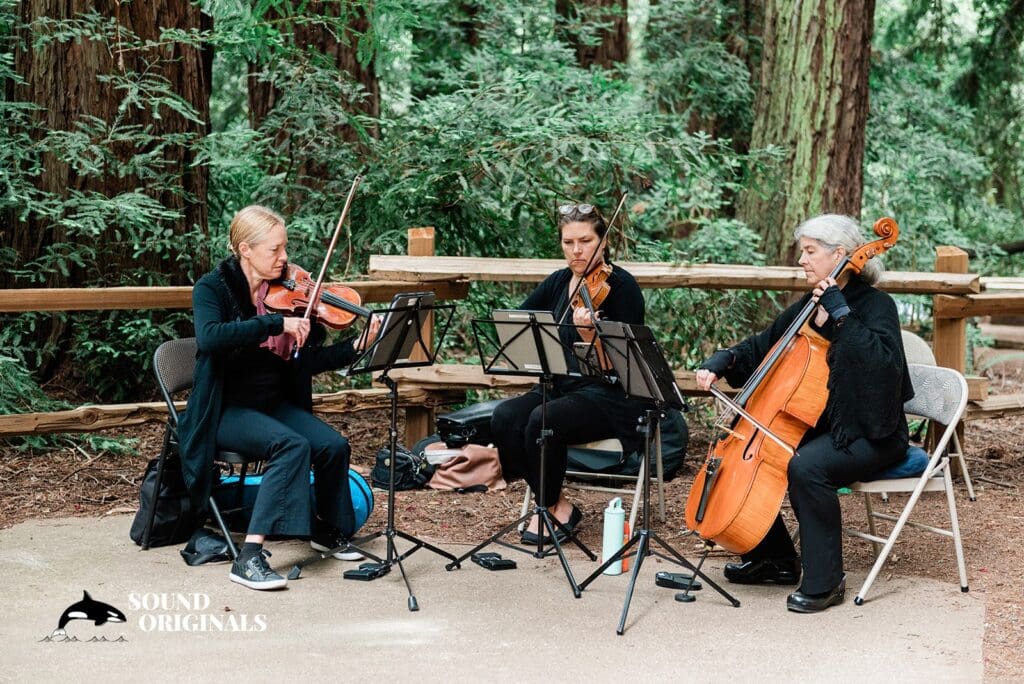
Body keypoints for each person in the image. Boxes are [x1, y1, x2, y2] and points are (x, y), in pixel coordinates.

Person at [695, 214, 913, 613]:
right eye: (803, 251)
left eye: (810, 251)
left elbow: (884, 368)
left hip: (870, 430)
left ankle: (826, 581)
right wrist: (723, 360)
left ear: (840, 254)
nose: (802, 260)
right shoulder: (809, 305)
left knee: (807, 466)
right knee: (761, 454)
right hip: (820, 423)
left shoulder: (876, 305)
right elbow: (763, 345)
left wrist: (842, 314)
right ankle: (774, 559)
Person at [178, 205, 375, 591]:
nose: (284, 257)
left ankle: (326, 531)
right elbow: (211, 337)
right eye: (274, 249)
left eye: (284, 247)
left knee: (333, 445)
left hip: (270, 404)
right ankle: (248, 557)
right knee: (291, 445)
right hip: (225, 408)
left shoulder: (288, 294)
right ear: (245, 249)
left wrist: (357, 345)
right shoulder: (212, 287)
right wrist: (274, 323)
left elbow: (308, 362)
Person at [491, 203, 651, 544]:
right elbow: (518, 323)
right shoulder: (559, 281)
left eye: (585, 241)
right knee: (505, 417)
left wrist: (589, 334)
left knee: (543, 419)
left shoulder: (622, 287)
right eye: (568, 242)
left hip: (611, 396)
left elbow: (622, 364)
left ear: (603, 242)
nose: (577, 250)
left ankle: (547, 509)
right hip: (562, 388)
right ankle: (556, 505)